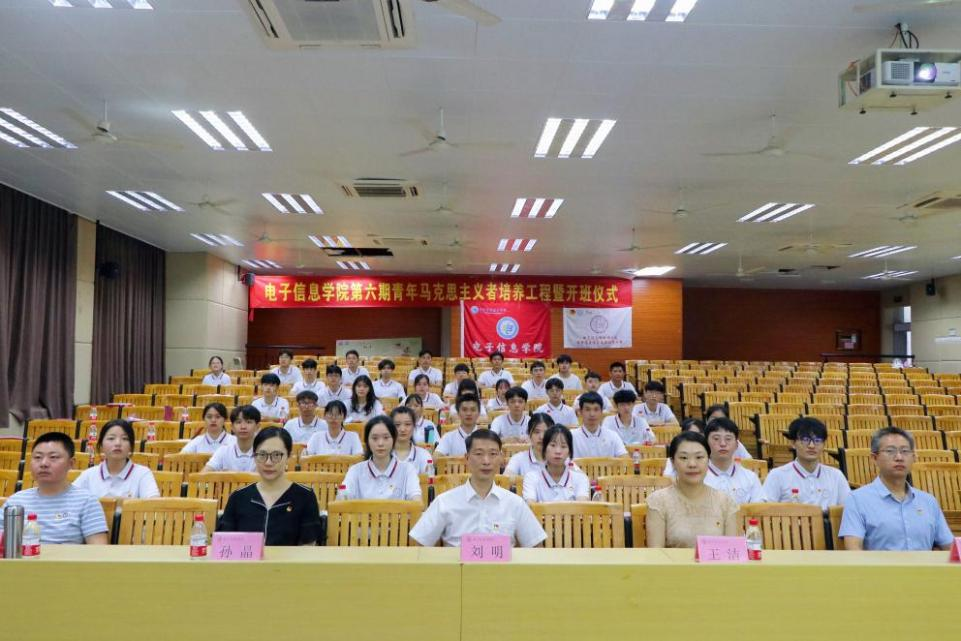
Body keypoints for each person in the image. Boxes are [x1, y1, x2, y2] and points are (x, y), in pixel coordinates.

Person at [409, 430, 546, 547]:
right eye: (479, 454)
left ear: (501, 458)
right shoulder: (444, 502)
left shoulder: (515, 504)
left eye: (493, 454)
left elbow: (535, 546)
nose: (486, 461)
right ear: (467, 458)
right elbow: (420, 544)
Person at [840, 427, 954, 551]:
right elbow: (853, 550)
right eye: (890, 451)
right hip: (879, 564)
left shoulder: (929, 501)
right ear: (874, 458)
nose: (899, 457)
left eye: (905, 451)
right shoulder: (857, 499)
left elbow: (950, 547)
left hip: (925, 564)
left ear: (914, 457)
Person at [219, 427, 321, 546]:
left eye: (276, 455)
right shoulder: (238, 497)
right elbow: (224, 544)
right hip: (246, 559)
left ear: (288, 457)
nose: (268, 462)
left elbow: (308, 546)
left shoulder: (305, 497)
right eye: (262, 455)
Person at [0, 432, 108, 544]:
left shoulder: (86, 501)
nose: (43, 463)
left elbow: (98, 549)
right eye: (37, 457)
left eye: (53, 457)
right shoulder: (16, 501)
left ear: (71, 463)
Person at [646, 432, 738, 548]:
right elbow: (656, 554)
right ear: (673, 462)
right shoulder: (658, 501)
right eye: (684, 458)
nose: (692, 464)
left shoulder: (725, 502)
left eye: (699, 457)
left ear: (708, 460)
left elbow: (732, 552)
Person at [762, 417, 850, 509]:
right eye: (805, 440)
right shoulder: (777, 475)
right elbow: (765, 511)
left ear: (824, 444)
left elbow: (849, 509)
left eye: (817, 440)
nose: (811, 446)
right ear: (793, 443)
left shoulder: (836, 476)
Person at [339, 416, 421, 501]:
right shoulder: (355, 470)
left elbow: (416, 499)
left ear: (394, 439)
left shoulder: (407, 470)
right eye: (375, 438)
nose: (380, 443)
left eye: (386, 437)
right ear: (367, 441)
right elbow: (343, 498)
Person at [74, 419, 160, 499]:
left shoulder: (143, 474)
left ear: (131, 446)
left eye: (124, 439)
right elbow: (69, 500)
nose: (118, 443)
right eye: (111, 438)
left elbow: (153, 505)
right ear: (101, 445)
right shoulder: (88, 475)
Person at [523, 425, 590, 503]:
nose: (558, 451)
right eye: (553, 445)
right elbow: (530, 506)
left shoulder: (580, 478)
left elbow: (582, 507)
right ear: (544, 450)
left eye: (563, 446)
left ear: (569, 452)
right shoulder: (531, 478)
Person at [703, 418, 763, 505]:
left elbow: (758, 510)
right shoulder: (696, 477)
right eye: (716, 439)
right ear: (706, 444)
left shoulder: (750, 478)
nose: (723, 444)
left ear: (737, 445)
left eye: (728, 439)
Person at [204, 405, 260, 472]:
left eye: (248, 422)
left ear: (257, 426)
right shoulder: (223, 451)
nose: (243, 427)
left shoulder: (265, 452)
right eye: (238, 422)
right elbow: (203, 475)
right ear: (232, 427)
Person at [572, 392, 628, 458]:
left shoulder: (613, 436)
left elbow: (625, 460)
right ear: (580, 412)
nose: (592, 414)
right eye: (587, 409)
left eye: (596, 409)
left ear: (601, 412)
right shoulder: (571, 436)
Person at [390, 406, 432, 474]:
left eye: (407, 424)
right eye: (397, 425)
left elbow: (428, 479)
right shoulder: (383, 456)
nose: (402, 429)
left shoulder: (424, 455)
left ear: (414, 426)